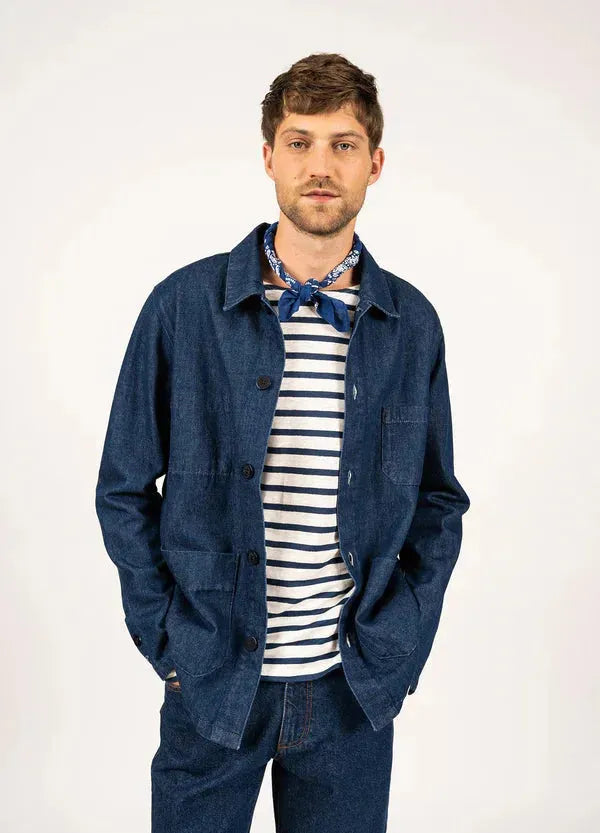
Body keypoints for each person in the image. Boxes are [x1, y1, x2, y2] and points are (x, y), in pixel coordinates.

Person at [95, 51, 470, 833]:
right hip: (211, 683)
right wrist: (171, 641)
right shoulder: (182, 307)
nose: (320, 166)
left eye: (343, 144)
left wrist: (399, 639)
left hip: (349, 690)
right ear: (269, 156)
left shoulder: (411, 325)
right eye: (300, 142)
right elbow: (123, 487)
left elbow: (439, 501)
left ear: (375, 163)